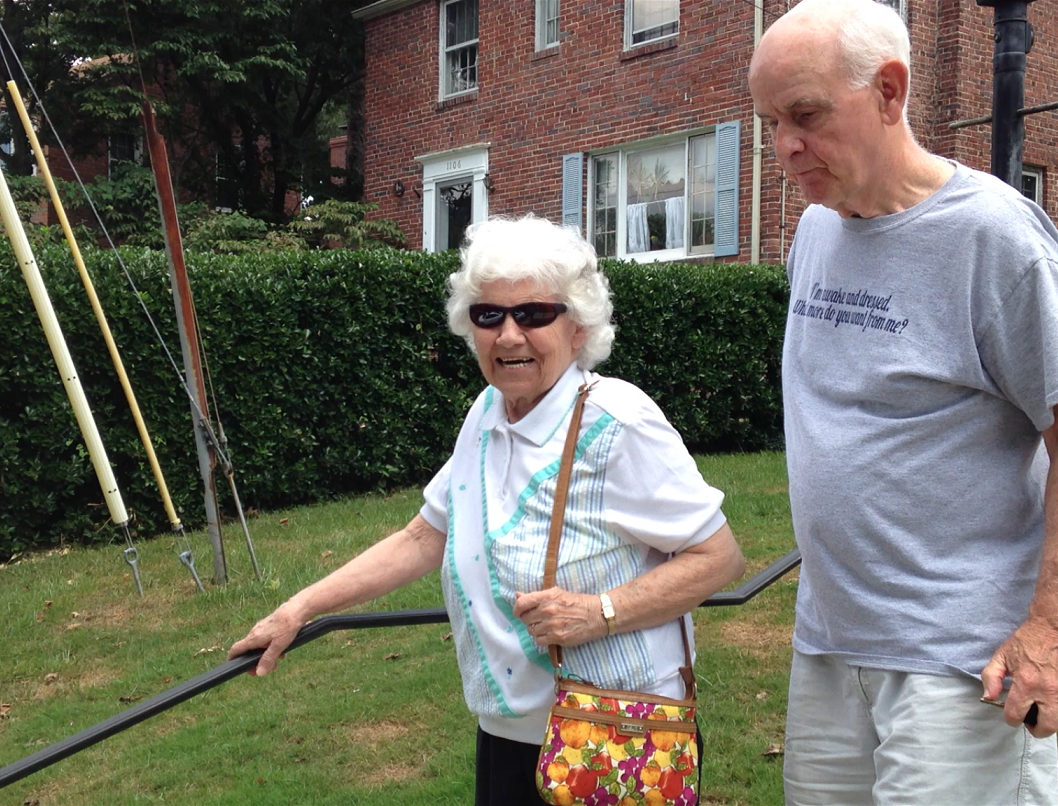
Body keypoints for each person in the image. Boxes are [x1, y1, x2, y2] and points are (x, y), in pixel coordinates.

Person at [229, 214, 745, 805]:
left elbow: (718, 555)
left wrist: (599, 612)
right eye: (488, 315)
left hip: (613, 733)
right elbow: (424, 536)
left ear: (577, 327)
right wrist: (299, 609)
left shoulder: (616, 423)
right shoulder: (487, 413)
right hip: (509, 731)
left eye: (532, 314)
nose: (508, 335)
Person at [747, 1, 1058, 803]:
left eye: (804, 115)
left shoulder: (996, 237)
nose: (784, 147)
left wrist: (1054, 628)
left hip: (959, 660)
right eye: (770, 122)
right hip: (829, 644)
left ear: (888, 91)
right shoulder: (815, 230)